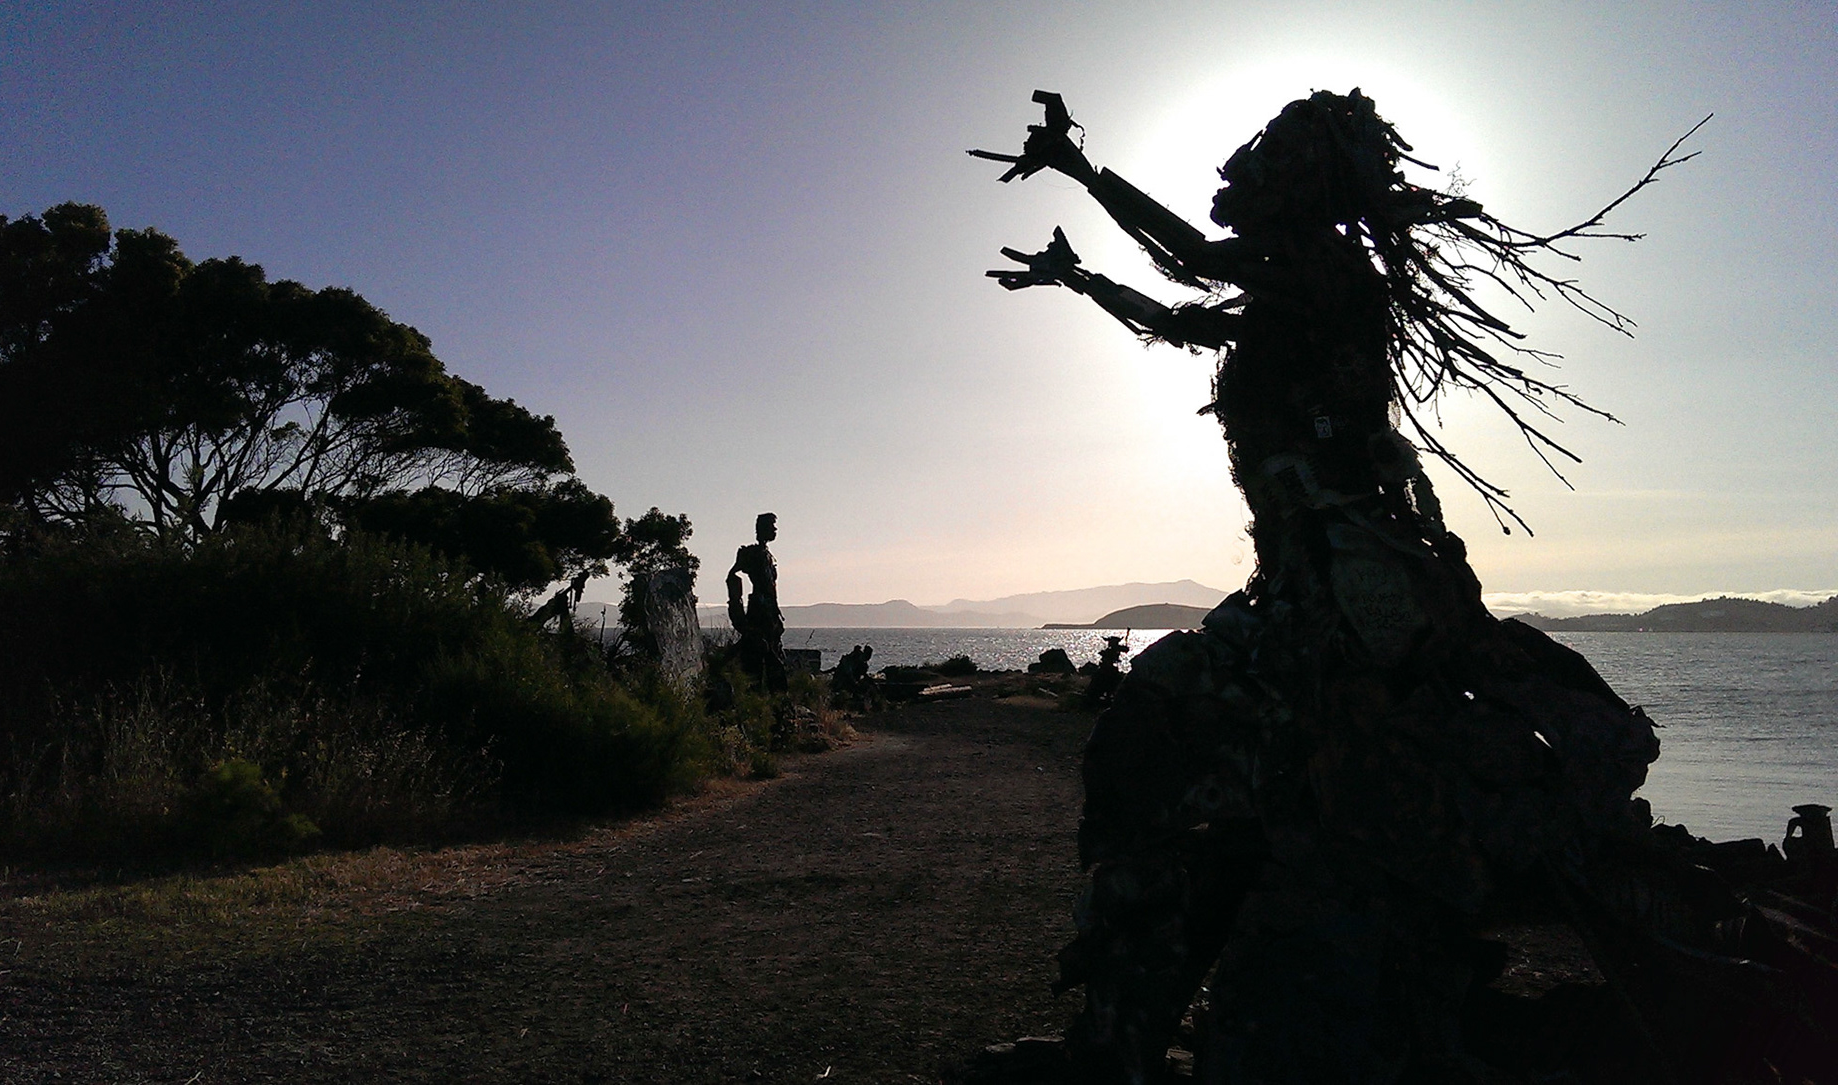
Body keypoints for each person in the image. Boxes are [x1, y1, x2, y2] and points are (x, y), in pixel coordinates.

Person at [968, 91, 1755, 1083]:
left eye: (1262, 157)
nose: (1236, 171)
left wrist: (1087, 174)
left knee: (1182, 743)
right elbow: (1179, 317)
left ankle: (1156, 1030)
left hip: (1352, 594)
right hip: (1307, 586)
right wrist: (1079, 274)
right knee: (1163, 750)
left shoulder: (1323, 271)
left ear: (1302, 181)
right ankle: (1127, 1030)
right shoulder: (1295, 289)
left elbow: (1189, 263)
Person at [726, 512, 787, 692]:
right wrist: (736, 607)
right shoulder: (752, 553)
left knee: (774, 660)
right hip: (759, 610)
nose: (775, 530)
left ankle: (775, 704)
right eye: (772, 526)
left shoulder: (767, 555)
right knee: (756, 660)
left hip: (769, 611)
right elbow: (733, 575)